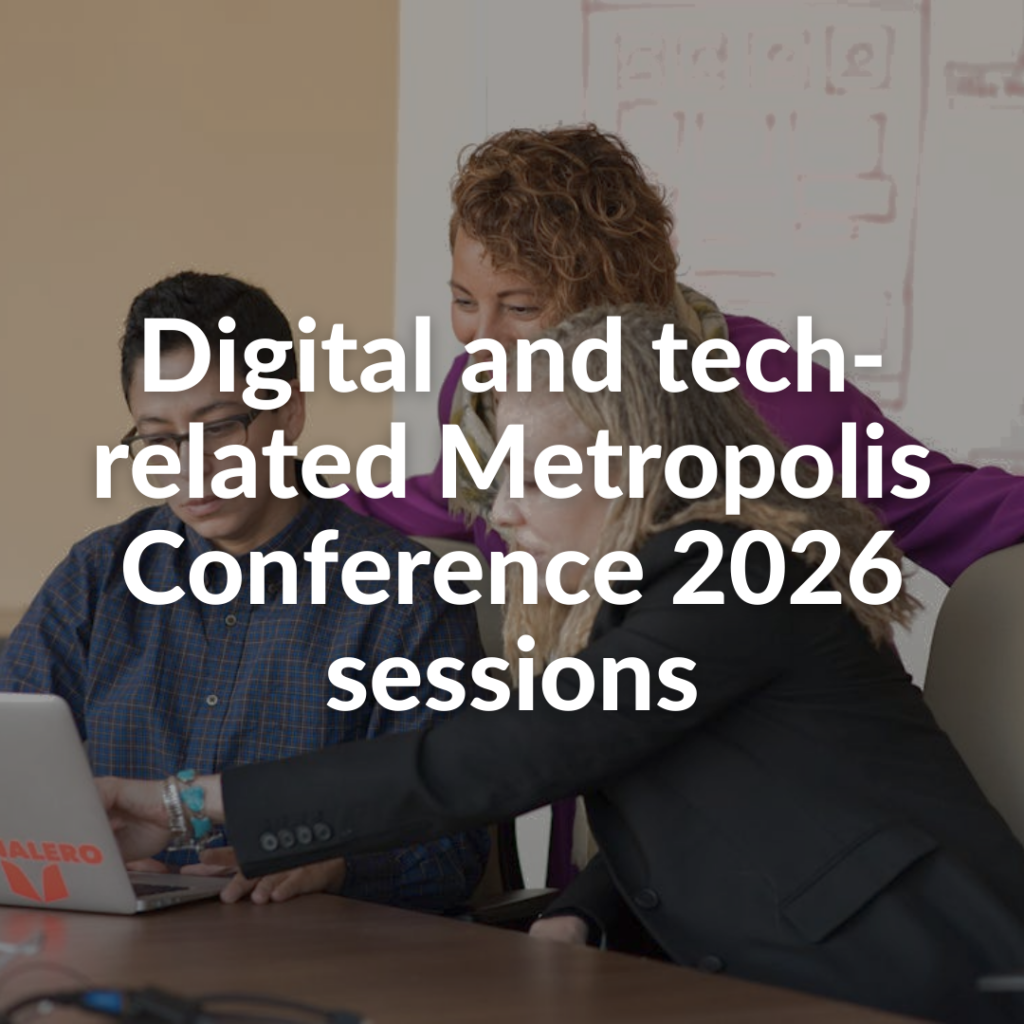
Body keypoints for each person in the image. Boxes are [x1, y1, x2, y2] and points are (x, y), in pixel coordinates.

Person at [101, 306, 1024, 1024]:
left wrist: (187, 802)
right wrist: (582, 910)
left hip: (924, 986)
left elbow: (502, 756)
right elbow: (700, 792)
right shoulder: (663, 598)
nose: (499, 514)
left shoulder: (737, 577)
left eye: (537, 477)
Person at [340, 124, 1024, 889]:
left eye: (521, 306)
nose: (482, 339)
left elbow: (944, 502)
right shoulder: (481, 400)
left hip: (788, 813)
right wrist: (294, 505)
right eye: (466, 302)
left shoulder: (765, 390)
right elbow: (455, 500)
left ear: (611, 300)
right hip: (610, 788)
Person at [0, 271, 488, 911]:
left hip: (310, 956)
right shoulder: (99, 576)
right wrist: (72, 855)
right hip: (111, 943)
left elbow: (453, 844)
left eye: (220, 426)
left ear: (289, 412)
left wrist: (338, 866)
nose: (189, 464)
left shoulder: (402, 591)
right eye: (157, 439)